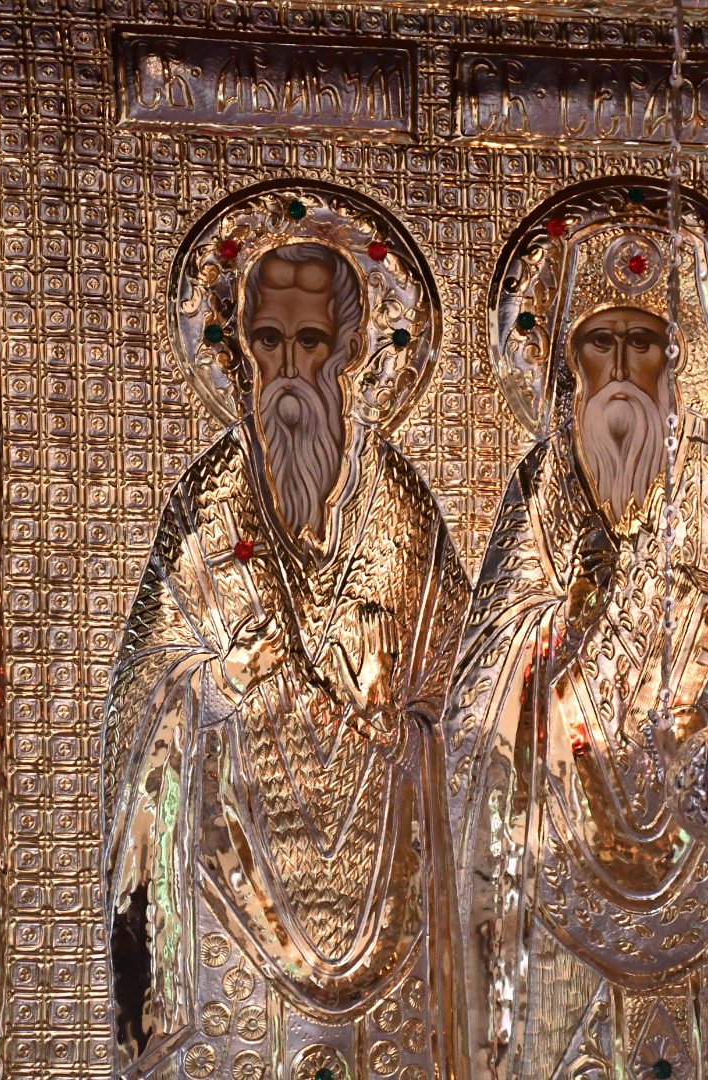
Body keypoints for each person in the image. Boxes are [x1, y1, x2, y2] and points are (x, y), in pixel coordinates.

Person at [102, 235, 469, 1080]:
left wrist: (401, 703)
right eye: (269, 340)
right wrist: (214, 684)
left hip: (387, 887)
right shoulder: (207, 501)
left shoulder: (402, 505)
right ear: (241, 348)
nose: (290, 368)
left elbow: (463, 695)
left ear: (350, 351)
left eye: (312, 342)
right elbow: (145, 686)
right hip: (231, 891)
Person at [443, 218, 708, 1080]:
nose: (621, 368)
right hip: (562, 854)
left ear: (677, 360)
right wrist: (565, 622)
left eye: (643, 343)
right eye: (599, 343)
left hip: (707, 856)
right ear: (566, 364)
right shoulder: (544, 487)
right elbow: (483, 681)